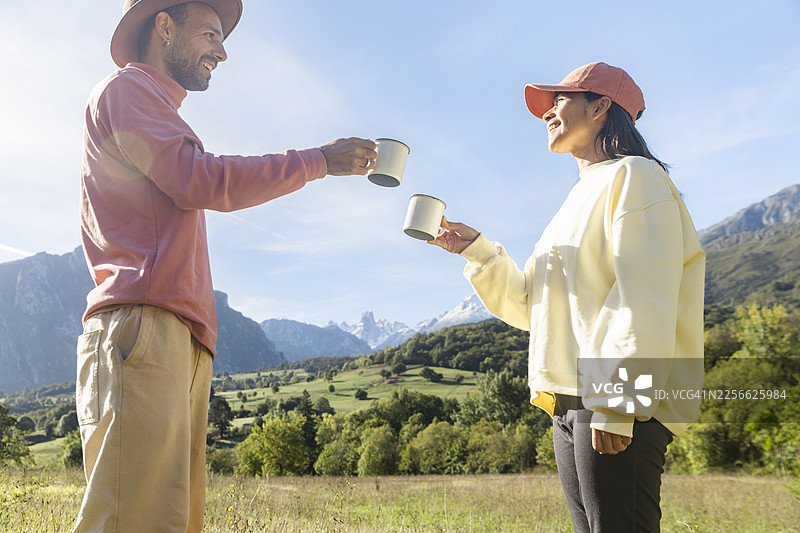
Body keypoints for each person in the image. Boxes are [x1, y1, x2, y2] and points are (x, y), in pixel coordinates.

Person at [74, 1, 376, 531]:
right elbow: (201, 181)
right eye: (210, 33)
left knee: (167, 522)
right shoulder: (127, 91)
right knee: (130, 521)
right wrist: (319, 161)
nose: (223, 49)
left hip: (173, 337)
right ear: (164, 27)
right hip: (144, 331)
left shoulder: (158, 109)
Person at [429, 62, 705, 532]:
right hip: (570, 400)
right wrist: (476, 249)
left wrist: (617, 404)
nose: (547, 114)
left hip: (616, 399)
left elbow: (644, 295)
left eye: (560, 100)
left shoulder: (636, 177)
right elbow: (530, 306)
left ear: (601, 107)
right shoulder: (576, 198)